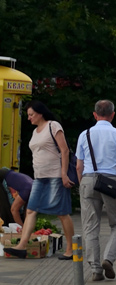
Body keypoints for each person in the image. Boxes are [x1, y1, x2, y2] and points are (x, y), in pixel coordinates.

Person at [3, 102, 75, 260]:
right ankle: (22, 246)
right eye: (28, 115)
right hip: (39, 178)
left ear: (40, 113)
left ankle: (71, 249)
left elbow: (64, 150)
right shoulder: (35, 132)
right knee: (30, 210)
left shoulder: (53, 126)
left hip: (55, 176)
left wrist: (64, 174)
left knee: (62, 213)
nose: (29, 118)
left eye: (31, 114)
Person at [75, 99, 116, 282]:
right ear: (113, 114)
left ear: (94, 114)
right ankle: (108, 258)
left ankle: (95, 269)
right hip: (111, 182)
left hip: (88, 180)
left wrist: (82, 184)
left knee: (90, 227)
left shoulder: (84, 134)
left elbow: (78, 166)